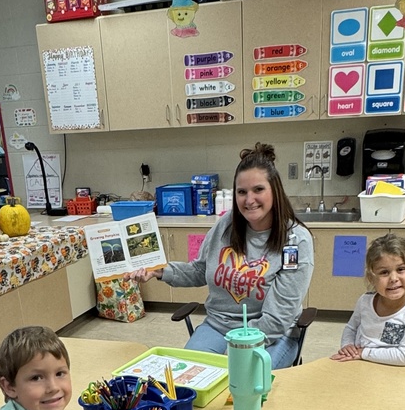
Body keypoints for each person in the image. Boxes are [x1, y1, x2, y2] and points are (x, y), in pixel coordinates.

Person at [130, 143, 313, 370]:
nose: (249, 200)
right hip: (218, 327)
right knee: (187, 377)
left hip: (273, 334)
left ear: (274, 190)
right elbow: (200, 271)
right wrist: (159, 271)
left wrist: (238, 346)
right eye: (242, 192)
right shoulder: (225, 225)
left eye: (258, 189)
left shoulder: (295, 239)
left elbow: (279, 316)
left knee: (244, 377)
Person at [331, 233, 405, 365]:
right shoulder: (365, 301)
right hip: (359, 366)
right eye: (384, 272)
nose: (393, 279)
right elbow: (351, 328)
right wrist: (347, 346)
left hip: (396, 372)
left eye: (401, 269)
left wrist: (362, 353)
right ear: (372, 278)